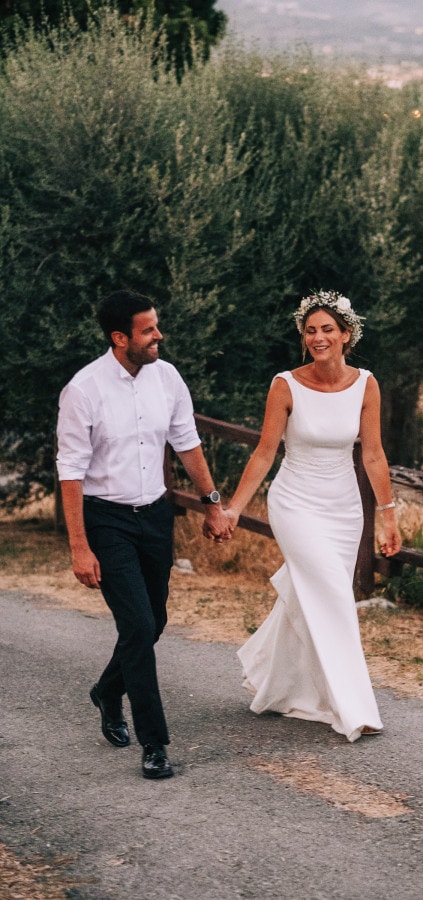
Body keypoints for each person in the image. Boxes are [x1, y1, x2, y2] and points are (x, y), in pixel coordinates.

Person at [56, 289, 230, 779]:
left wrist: (212, 504)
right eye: (149, 329)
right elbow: (70, 470)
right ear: (119, 338)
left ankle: (108, 691)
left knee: (152, 622)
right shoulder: (83, 389)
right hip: (105, 520)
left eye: (156, 326)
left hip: (154, 516)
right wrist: (79, 546)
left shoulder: (167, 377)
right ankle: (154, 744)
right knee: (136, 626)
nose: (159, 335)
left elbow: (187, 444)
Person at [224, 290, 401, 742]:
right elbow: (265, 454)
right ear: (304, 338)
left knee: (318, 595)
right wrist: (234, 509)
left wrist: (389, 516)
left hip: (343, 508)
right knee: (332, 598)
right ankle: (354, 706)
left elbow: (375, 456)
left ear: (346, 335)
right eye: (310, 330)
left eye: (327, 329)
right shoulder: (285, 384)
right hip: (295, 502)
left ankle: (278, 686)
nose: (318, 337)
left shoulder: (367, 384)